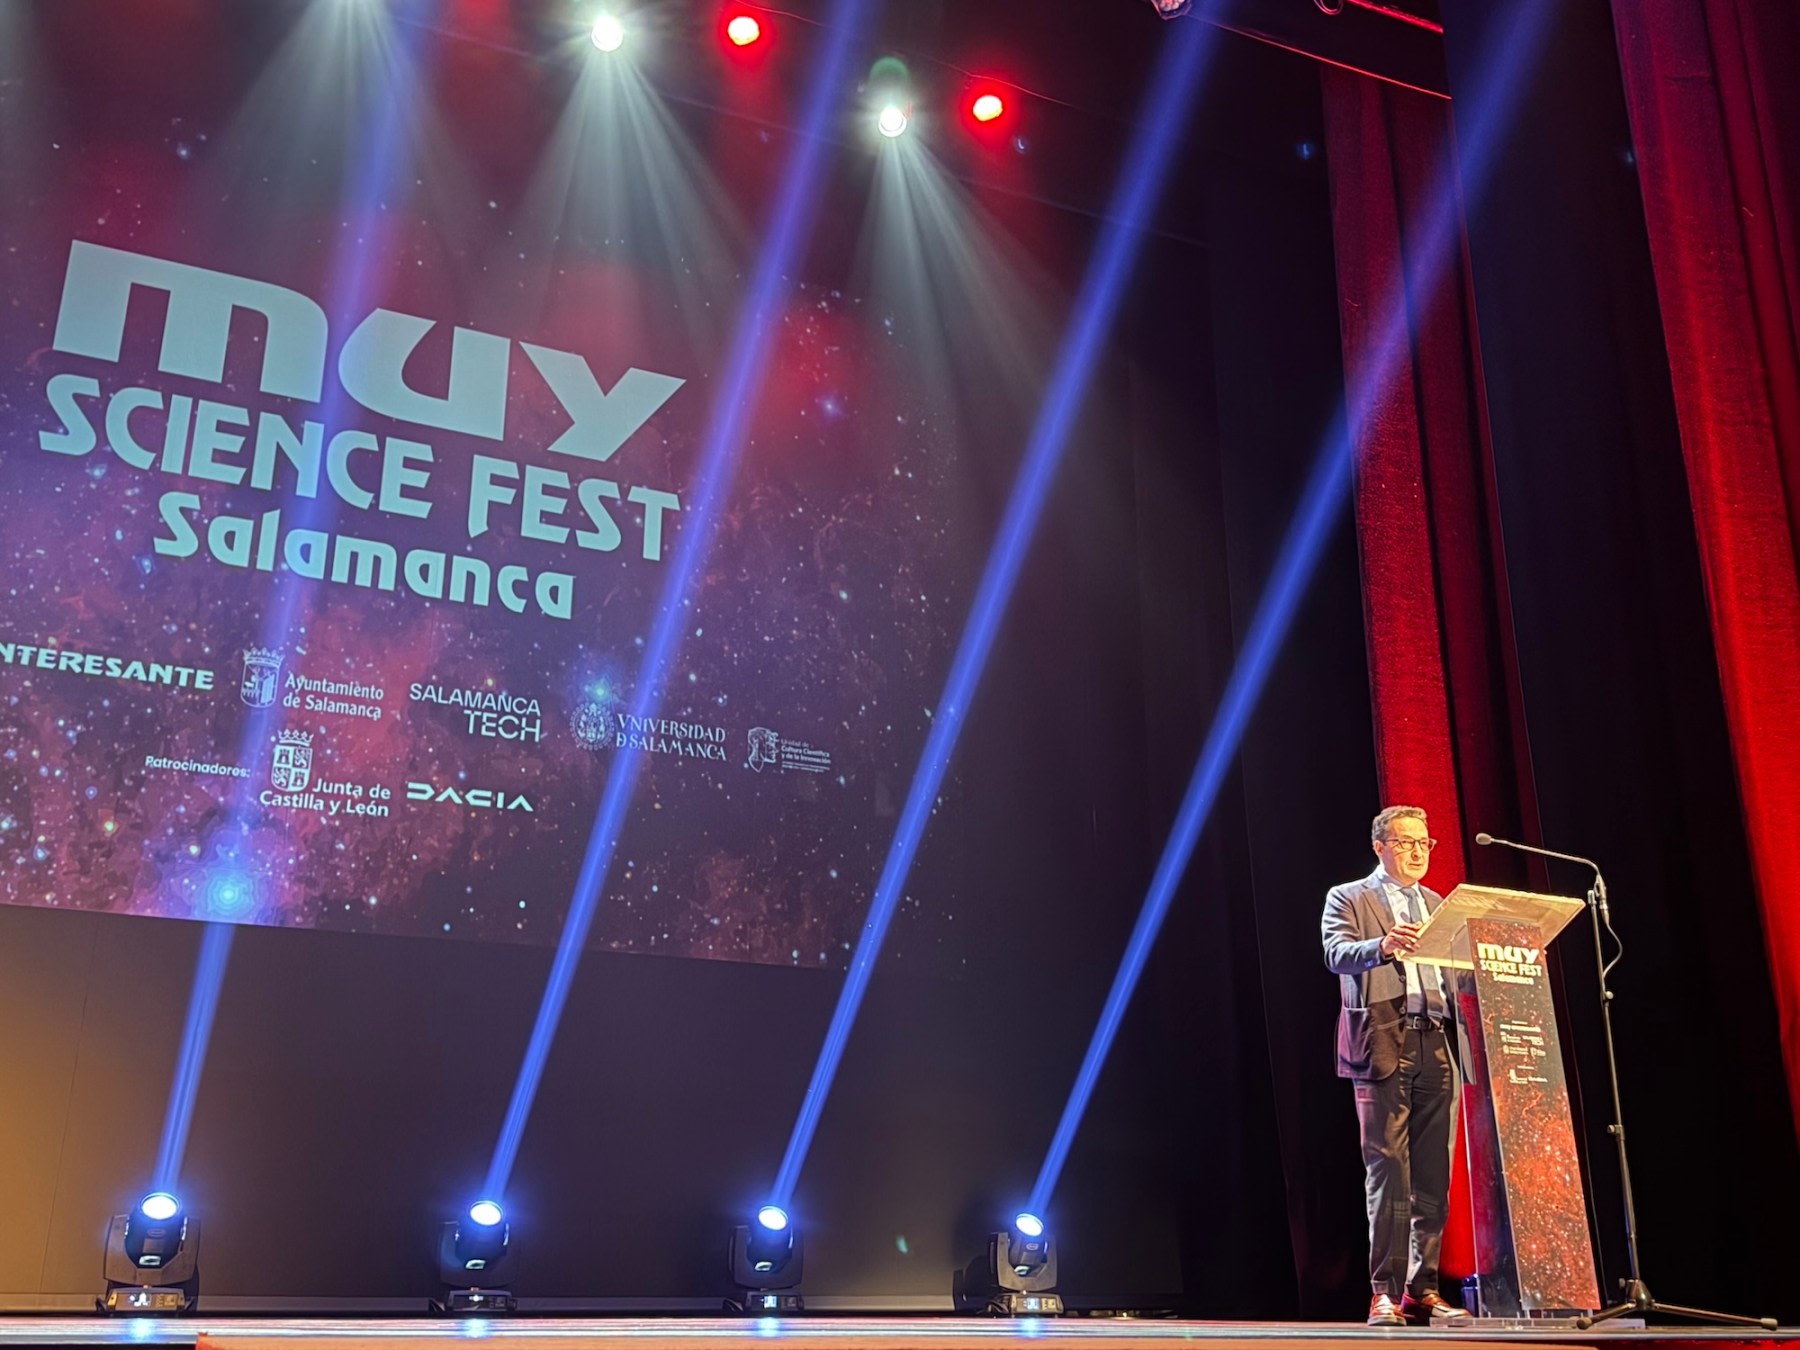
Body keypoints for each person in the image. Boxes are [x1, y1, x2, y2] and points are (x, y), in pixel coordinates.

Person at [1321, 805, 1472, 1327]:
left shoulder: (1437, 903)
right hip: (1386, 1043)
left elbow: (1459, 970)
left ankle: (1422, 1290)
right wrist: (1382, 945)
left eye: (1425, 844)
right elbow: (1337, 953)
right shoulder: (1349, 897)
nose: (1417, 852)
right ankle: (1382, 1291)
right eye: (1406, 842)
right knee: (1389, 1172)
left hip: (1439, 1044)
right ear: (1379, 846)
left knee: (1434, 1177)